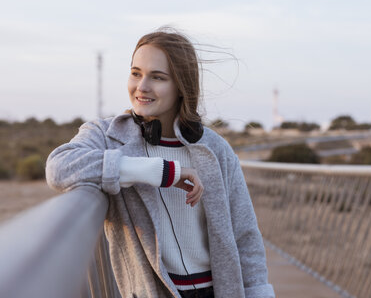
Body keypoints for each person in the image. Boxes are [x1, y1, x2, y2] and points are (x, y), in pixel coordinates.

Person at [45, 27, 275, 298]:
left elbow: (246, 238)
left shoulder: (215, 149)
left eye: (158, 77)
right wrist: (158, 171)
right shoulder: (106, 135)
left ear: (181, 87)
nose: (142, 87)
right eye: (136, 73)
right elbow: (58, 167)